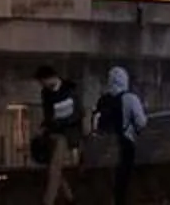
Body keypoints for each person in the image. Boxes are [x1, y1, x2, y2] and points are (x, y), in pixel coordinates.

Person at [94, 65, 147, 201]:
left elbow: (95, 123)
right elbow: (141, 123)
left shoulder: (102, 100)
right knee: (125, 178)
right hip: (124, 144)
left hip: (104, 146)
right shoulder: (131, 98)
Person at [35, 68, 83, 204]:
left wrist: (60, 122)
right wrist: (44, 127)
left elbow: (78, 113)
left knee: (54, 167)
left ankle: (48, 201)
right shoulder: (46, 93)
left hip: (67, 132)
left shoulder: (70, 90)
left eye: (43, 81)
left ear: (50, 78)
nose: (43, 85)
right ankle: (69, 197)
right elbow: (48, 114)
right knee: (53, 166)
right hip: (53, 132)